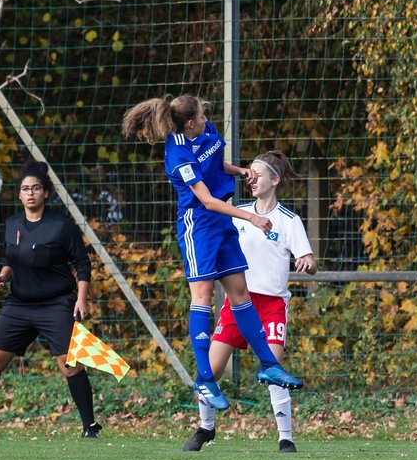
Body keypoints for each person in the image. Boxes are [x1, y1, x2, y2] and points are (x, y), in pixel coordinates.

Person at [121, 94, 303, 413]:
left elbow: (217, 164)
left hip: (222, 222)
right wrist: (251, 217)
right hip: (200, 226)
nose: (207, 119)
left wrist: (240, 170)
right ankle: (205, 378)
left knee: (240, 293)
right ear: (190, 122)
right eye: (202, 116)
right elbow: (205, 200)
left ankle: (267, 364)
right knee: (203, 298)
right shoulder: (178, 154)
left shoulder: (207, 131)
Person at [0, 159, 100, 438]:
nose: (30, 193)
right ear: (19, 194)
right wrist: (3, 276)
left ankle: (90, 426)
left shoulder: (62, 226)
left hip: (55, 304)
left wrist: (81, 299)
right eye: (25, 189)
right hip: (19, 304)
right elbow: (11, 259)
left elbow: (83, 263)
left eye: (36, 188)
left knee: (69, 365)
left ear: (46, 193)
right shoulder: (12, 224)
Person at [183, 151, 316, 453]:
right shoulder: (239, 215)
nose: (251, 179)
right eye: (249, 174)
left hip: (271, 307)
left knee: (274, 371)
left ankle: (286, 438)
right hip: (238, 305)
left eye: (257, 173)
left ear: (275, 180)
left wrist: (308, 262)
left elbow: (308, 258)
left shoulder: (289, 221)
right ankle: (205, 429)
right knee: (210, 370)